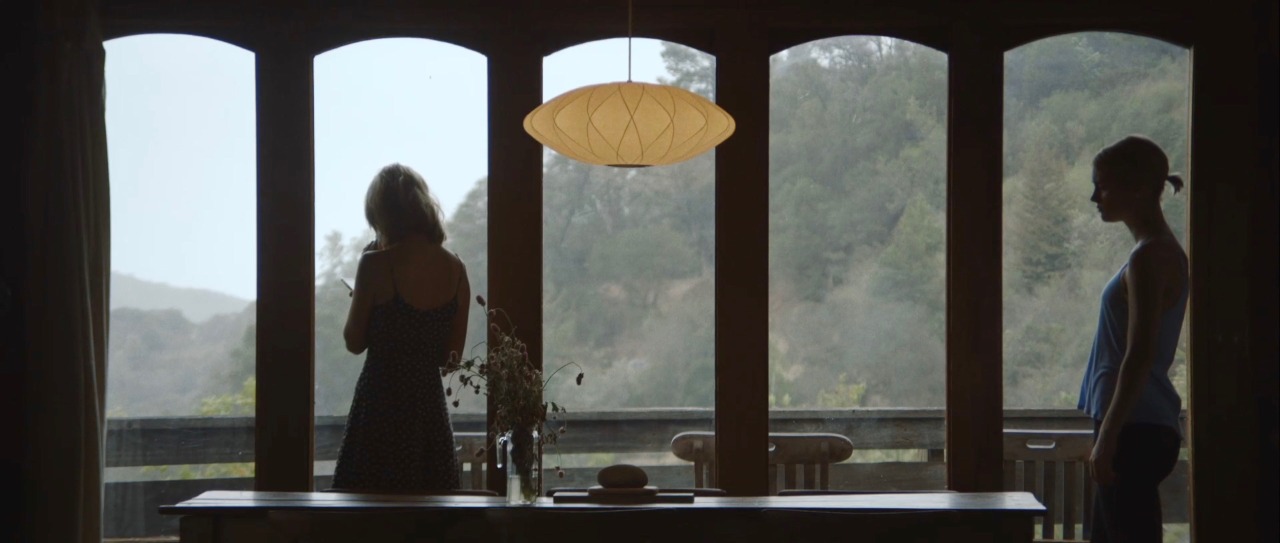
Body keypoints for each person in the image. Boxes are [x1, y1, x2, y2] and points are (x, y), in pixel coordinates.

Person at [331, 163, 470, 493]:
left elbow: (354, 342)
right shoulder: (456, 269)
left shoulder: (374, 264)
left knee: (368, 507)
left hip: (379, 405)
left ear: (381, 216)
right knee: (430, 508)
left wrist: (362, 299)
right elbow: (450, 360)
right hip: (427, 409)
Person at [1078, 135, 1187, 542]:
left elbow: (1140, 354)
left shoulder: (1150, 257)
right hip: (1135, 423)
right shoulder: (1153, 252)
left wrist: (1108, 437)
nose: (1094, 198)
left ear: (1138, 188)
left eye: (1102, 186)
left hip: (1133, 427)